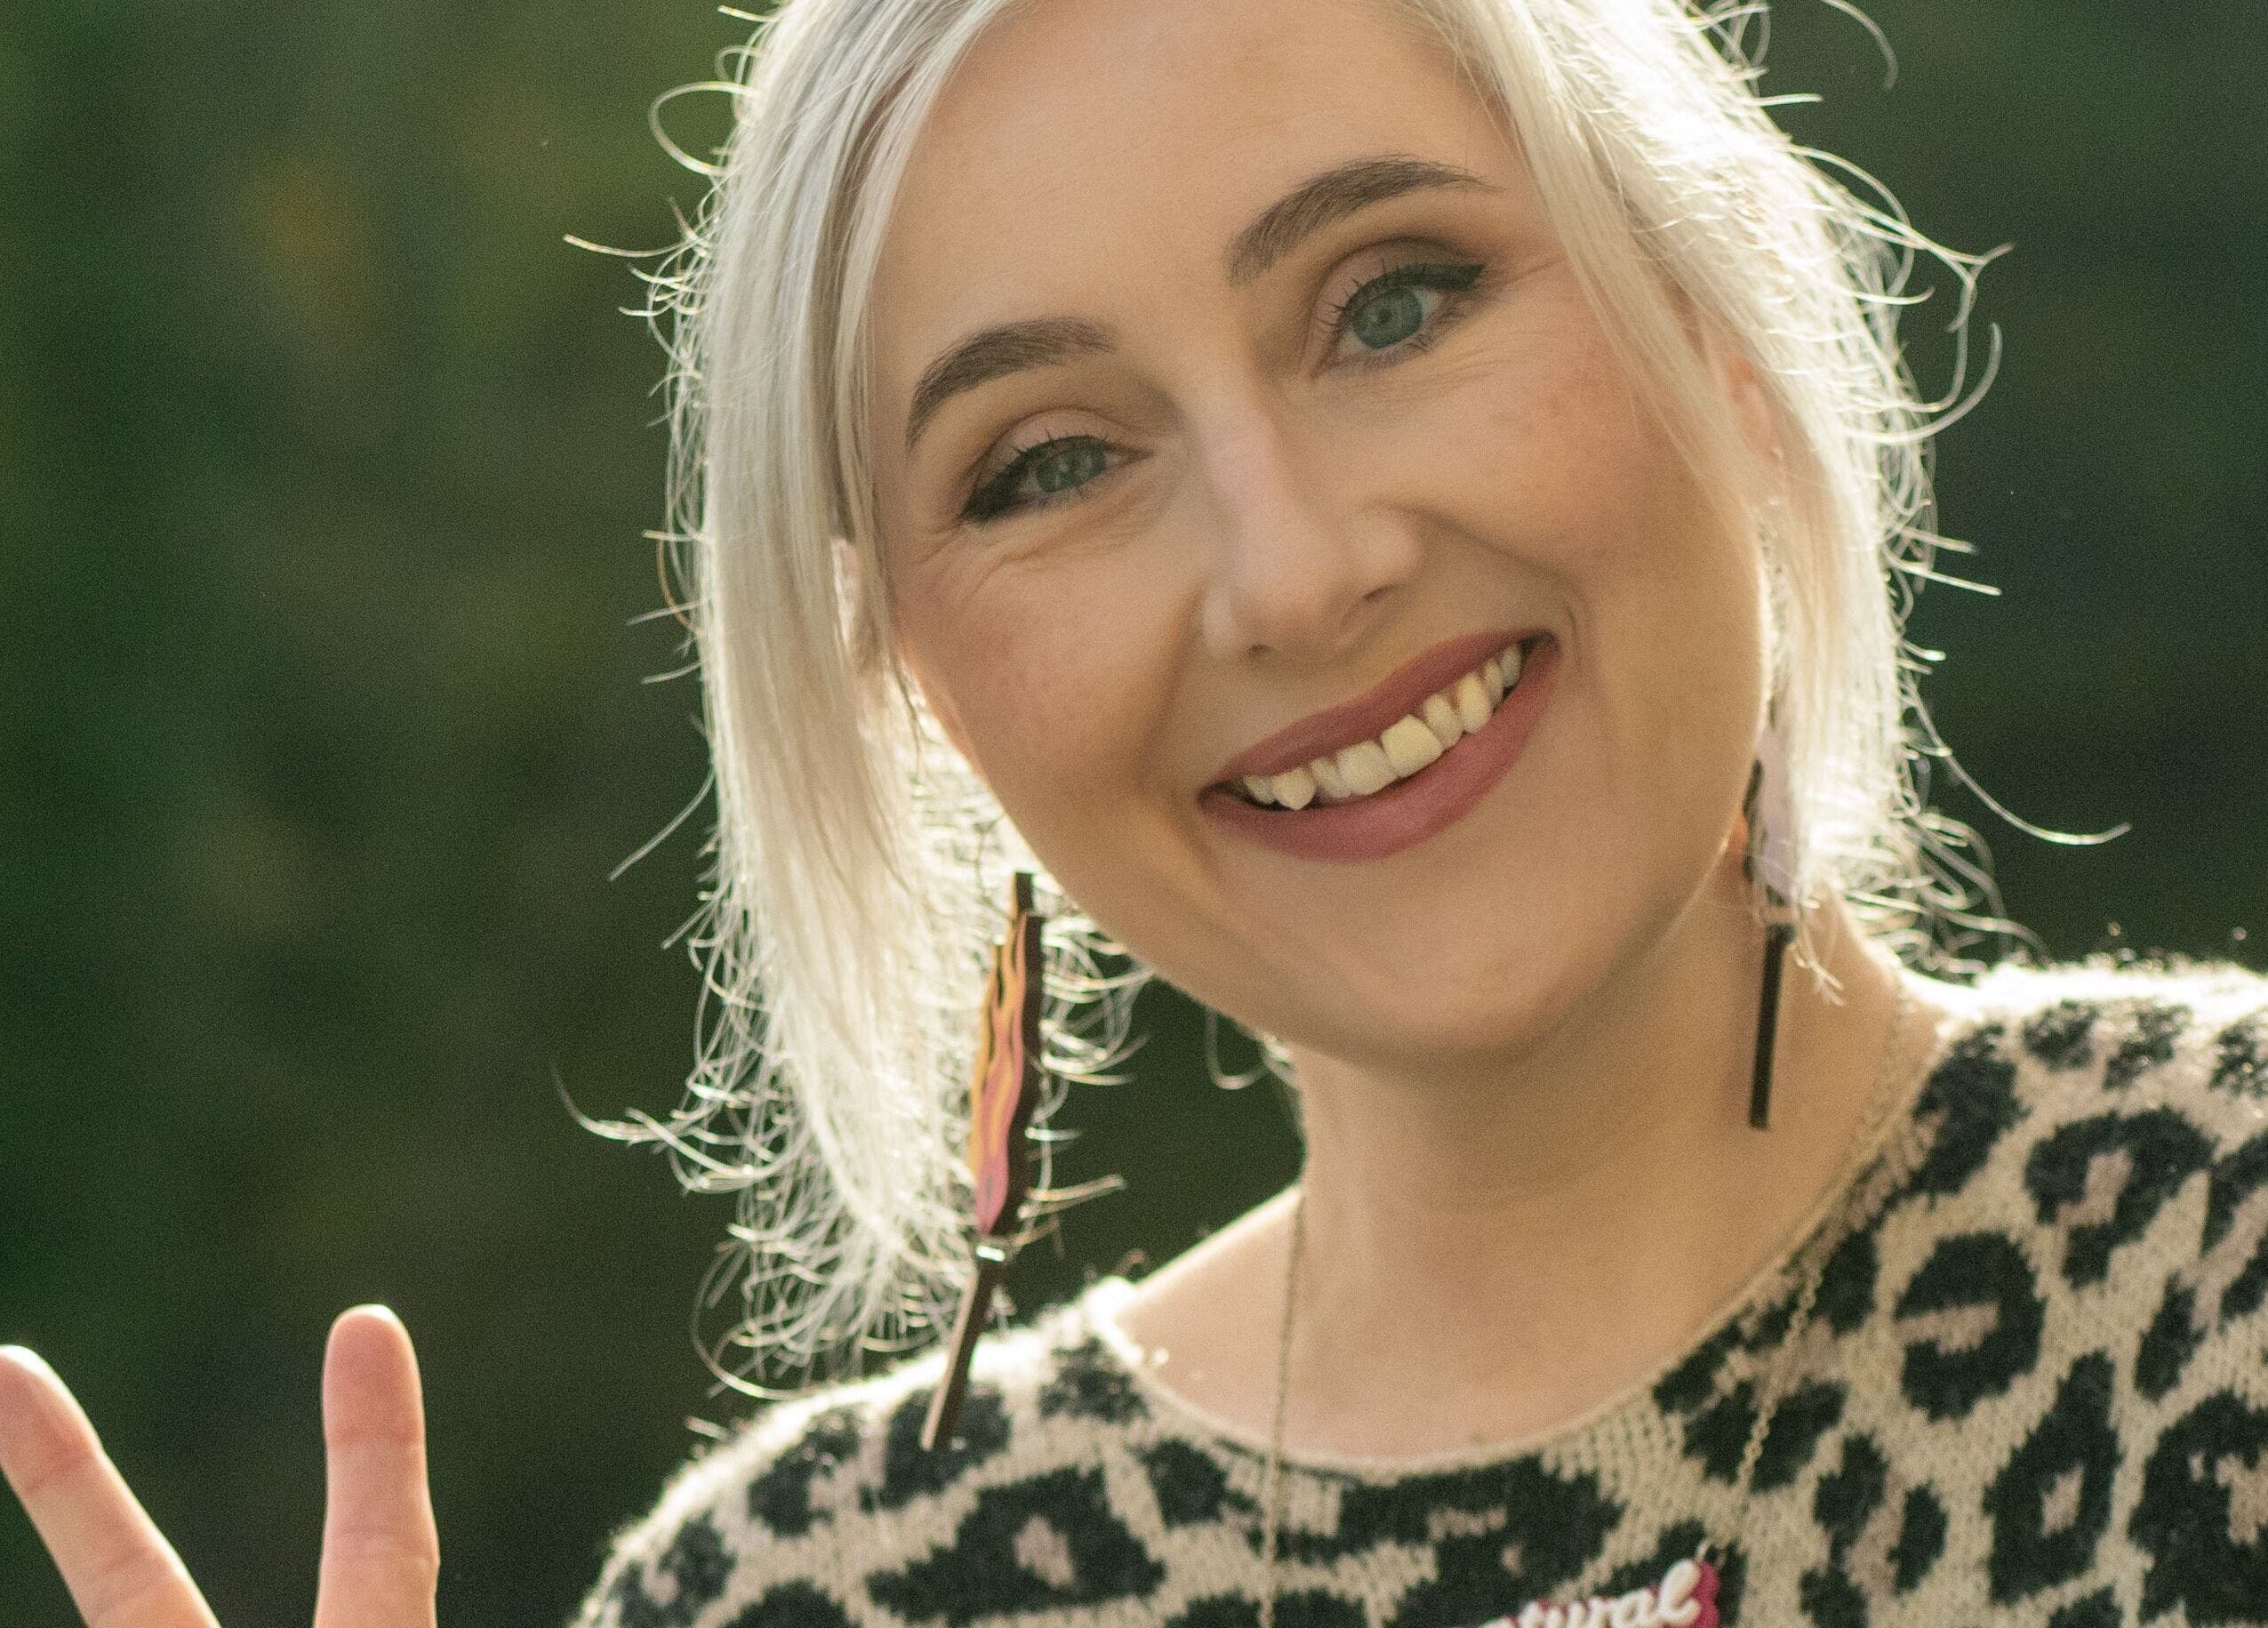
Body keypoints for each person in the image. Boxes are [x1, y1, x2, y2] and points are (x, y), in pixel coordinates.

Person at [4, 0, 2265, 1622]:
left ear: (1711, 308)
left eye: (1394, 301)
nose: (1295, 570)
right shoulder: (810, 1599)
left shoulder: (2220, 1262)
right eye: (1052, 464)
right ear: (912, 682)